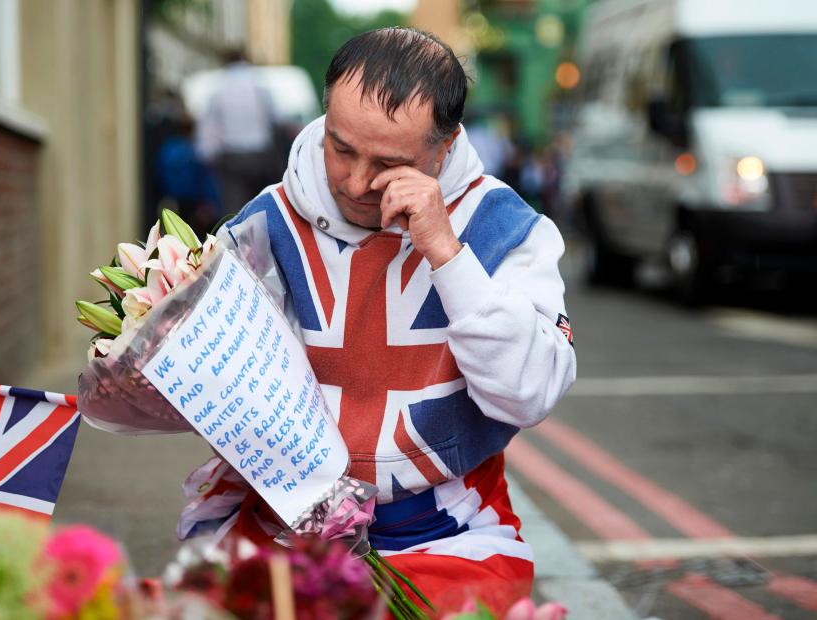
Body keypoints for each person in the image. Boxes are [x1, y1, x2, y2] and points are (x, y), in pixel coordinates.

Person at [180, 28, 576, 614]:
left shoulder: (506, 228)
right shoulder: (263, 223)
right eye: (340, 148)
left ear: (446, 148)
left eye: (389, 163)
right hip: (282, 530)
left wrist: (446, 252)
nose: (357, 183)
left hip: (449, 532)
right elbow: (214, 388)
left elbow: (530, 393)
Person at [195, 48, 280, 215]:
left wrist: (206, 155)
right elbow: (277, 117)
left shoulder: (219, 88)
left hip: (231, 155)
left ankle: (235, 239)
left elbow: (209, 127)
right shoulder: (259, 84)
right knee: (261, 207)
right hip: (259, 154)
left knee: (233, 208)